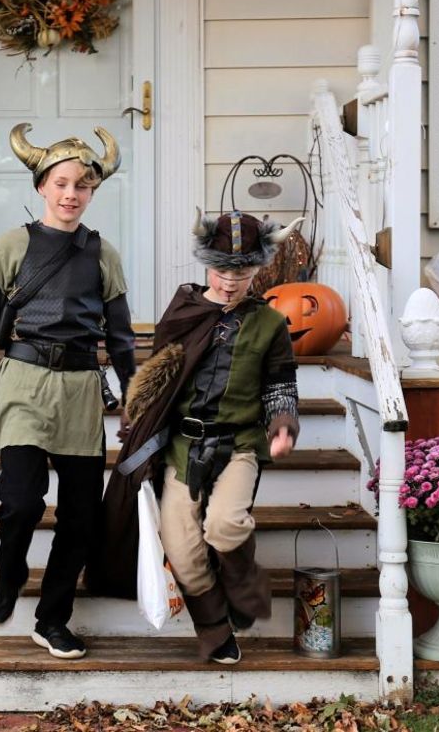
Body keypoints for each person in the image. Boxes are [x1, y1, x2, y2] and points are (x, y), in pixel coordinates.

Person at [0, 123, 136, 660]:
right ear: (42, 187)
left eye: (83, 186)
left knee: (80, 516)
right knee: (21, 504)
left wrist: (134, 398)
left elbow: (119, 338)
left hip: (80, 390)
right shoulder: (13, 245)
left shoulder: (103, 255)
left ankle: (52, 618)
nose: (72, 194)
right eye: (62, 183)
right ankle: (9, 575)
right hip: (24, 381)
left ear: (93, 191)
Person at [106, 209, 303, 664]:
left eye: (243, 272)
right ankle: (215, 629)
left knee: (225, 524)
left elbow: (280, 383)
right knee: (182, 548)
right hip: (183, 445)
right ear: (205, 265)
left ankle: (244, 591)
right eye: (221, 270)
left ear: (258, 269)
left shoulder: (270, 324)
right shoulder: (184, 311)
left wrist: (282, 424)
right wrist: (138, 417)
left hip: (239, 445)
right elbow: (159, 375)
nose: (231, 282)